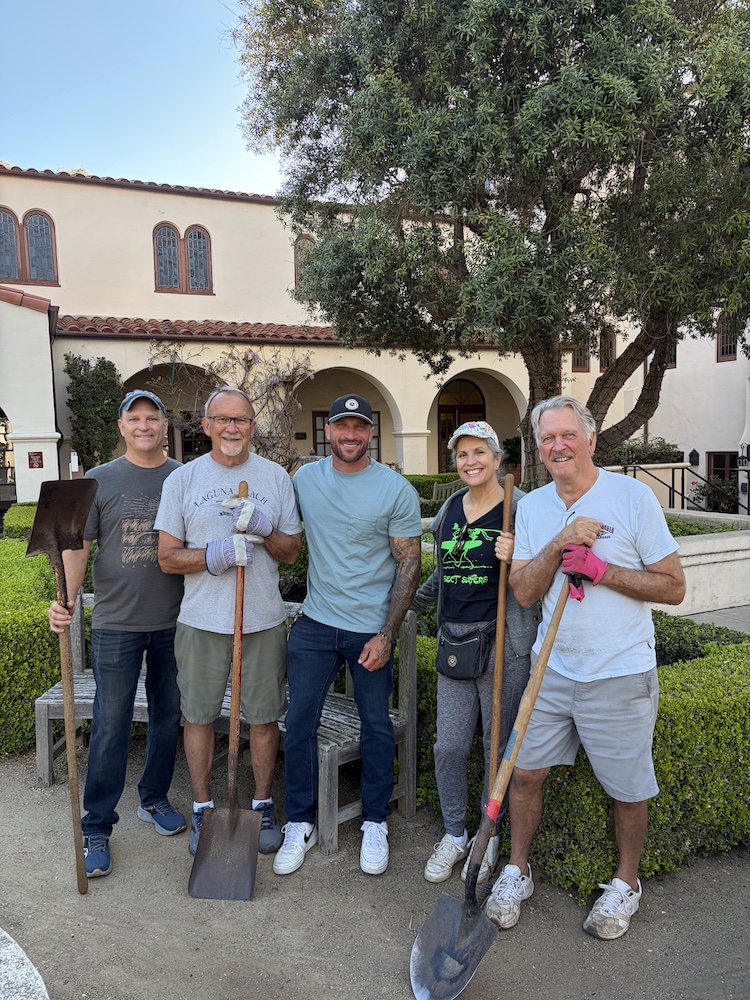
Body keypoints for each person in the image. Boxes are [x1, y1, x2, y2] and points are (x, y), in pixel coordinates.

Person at [484, 395, 685, 939]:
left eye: (568, 435)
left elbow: (674, 587)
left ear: (591, 439)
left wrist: (602, 570)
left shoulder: (632, 498)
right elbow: (524, 593)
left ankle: (625, 884)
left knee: (626, 788)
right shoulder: (534, 507)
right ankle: (517, 870)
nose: (558, 446)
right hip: (553, 671)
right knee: (524, 773)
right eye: (547, 438)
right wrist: (561, 542)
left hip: (619, 670)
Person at [274, 393, 423, 877]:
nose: (351, 435)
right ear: (329, 431)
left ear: (370, 432)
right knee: (297, 723)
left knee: (376, 726)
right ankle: (299, 820)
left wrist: (387, 634)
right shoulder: (306, 479)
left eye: (360, 427)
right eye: (342, 426)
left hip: (369, 631)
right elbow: (285, 537)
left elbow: (410, 562)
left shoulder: (395, 489)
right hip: (316, 623)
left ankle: (375, 822)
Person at [155, 386, 301, 856]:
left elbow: (292, 552)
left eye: (241, 420)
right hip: (200, 621)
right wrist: (213, 555)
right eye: (223, 419)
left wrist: (264, 528)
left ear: (252, 427)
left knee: (262, 718)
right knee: (197, 716)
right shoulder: (183, 480)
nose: (232, 428)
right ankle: (202, 807)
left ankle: (260, 804)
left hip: (260, 620)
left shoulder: (276, 478)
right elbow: (166, 557)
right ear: (207, 425)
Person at [48, 389, 186, 879]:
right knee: (110, 723)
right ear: (122, 426)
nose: (144, 425)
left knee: (169, 716)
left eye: (153, 417)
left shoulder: (182, 477)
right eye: (135, 418)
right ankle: (97, 827)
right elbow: (77, 548)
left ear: (165, 425)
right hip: (115, 624)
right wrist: (64, 601)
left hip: (174, 622)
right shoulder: (98, 481)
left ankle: (154, 798)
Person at [410, 422, 538, 891]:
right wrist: (401, 607)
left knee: (495, 749)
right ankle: (455, 833)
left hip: (504, 643)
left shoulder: (521, 508)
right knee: (450, 746)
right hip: (456, 644)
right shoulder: (449, 508)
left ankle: (489, 837)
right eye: (462, 454)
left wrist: (518, 553)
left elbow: (537, 579)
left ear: (497, 457)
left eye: (478, 452)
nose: (470, 461)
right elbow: (442, 576)